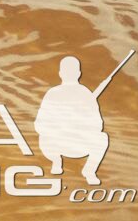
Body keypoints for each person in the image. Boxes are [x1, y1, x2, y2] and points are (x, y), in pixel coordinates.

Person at [34, 56, 111, 185]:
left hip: (66, 145)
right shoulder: (85, 93)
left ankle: (86, 170)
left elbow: (39, 124)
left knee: (102, 137)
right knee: (102, 138)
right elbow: (98, 125)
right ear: (78, 74)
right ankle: (59, 162)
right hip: (67, 144)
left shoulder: (53, 93)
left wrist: (78, 126)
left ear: (60, 74)